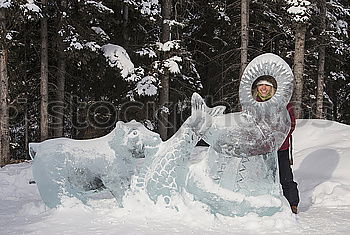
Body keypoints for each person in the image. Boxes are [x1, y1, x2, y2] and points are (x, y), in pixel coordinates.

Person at [253, 76, 300, 214]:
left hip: (280, 147)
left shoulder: (283, 103)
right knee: (262, 177)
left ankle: (292, 204)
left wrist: (278, 137)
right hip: (261, 149)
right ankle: (263, 204)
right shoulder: (253, 103)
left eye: (266, 85)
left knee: (285, 176)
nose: (263, 88)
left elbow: (291, 124)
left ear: (272, 88)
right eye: (260, 85)